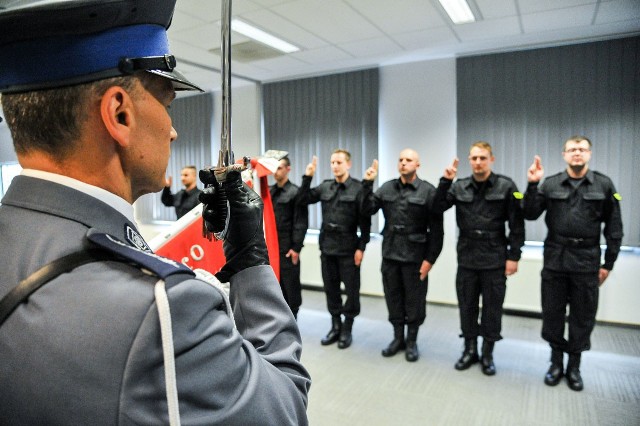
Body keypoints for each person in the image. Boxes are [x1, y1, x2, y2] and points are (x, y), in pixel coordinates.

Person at [0, 1, 310, 424]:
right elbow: (285, 407)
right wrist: (250, 262)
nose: (172, 129)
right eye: (167, 104)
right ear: (120, 114)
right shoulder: (164, 309)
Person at [523, 135, 623, 391]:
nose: (576, 153)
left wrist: (608, 263)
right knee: (553, 313)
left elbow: (614, 228)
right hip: (556, 258)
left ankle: (574, 367)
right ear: (564, 154)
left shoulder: (603, 184)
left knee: (582, 317)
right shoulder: (551, 183)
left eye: (581, 149)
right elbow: (529, 212)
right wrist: (533, 184)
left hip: (587, 261)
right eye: (571, 150)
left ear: (589, 153)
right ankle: (556, 363)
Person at [433, 142, 525, 375]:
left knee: (492, 309)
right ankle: (469, 350)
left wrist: (514, 256)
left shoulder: (507, 186)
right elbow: (436, 207)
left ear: (491, 159)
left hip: (495, 257)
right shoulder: (460, 186)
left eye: (482, 158)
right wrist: (445, 182)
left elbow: (516, 224)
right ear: (469, 160)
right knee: (467, 306)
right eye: (473, 158)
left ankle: (487, 354)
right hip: (468, 257)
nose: (478, 162)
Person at [363, 148, 444, 362]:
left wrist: (430, 260)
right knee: (394, 298)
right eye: (400, 159)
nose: (403, 163)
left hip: (415, 258)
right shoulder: (387, 187)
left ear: (418, 165)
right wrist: (367, 184)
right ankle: (398, 338)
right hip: (390, 254)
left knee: (415, 301)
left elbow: (437, 230)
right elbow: (367, 209)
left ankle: (412, 341)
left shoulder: (428, 191)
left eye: (409, 160)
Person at [298, 150, 372, 349]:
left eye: (339, 162)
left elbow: (365, 222)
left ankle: (347, 328)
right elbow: (302, 199)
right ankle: (335, 325)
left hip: (349, 248)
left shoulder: (358, 188)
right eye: (332, 162)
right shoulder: (325, 186)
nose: (335, 165)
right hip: (328, 247)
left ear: (348, 164)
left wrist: (361, 247)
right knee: (331, 290)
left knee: (352, 291)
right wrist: (308, 176)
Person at [270, 156, 309, 318]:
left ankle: (293, 321)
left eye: (279, 168)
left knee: (290, 287)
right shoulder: (269, 192)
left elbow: (300, 222)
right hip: (271, 248)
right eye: (274, 168)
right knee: (274, 287)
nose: (276, 172)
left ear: (288, 169)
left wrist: (296, 248)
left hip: (287, 248)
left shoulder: (295, 193)